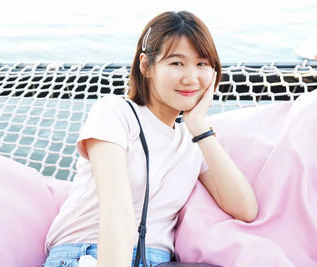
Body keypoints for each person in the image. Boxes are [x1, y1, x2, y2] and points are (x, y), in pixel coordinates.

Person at [43, 10, 258, 267]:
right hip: (90, 254)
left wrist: (198, 126)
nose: (191, 77)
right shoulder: (116, 112)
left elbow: (245, 209)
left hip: (158, 260)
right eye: (177, 63)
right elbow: (116, 211)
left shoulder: (193, 140)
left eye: (202, 64)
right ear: (146, 66)